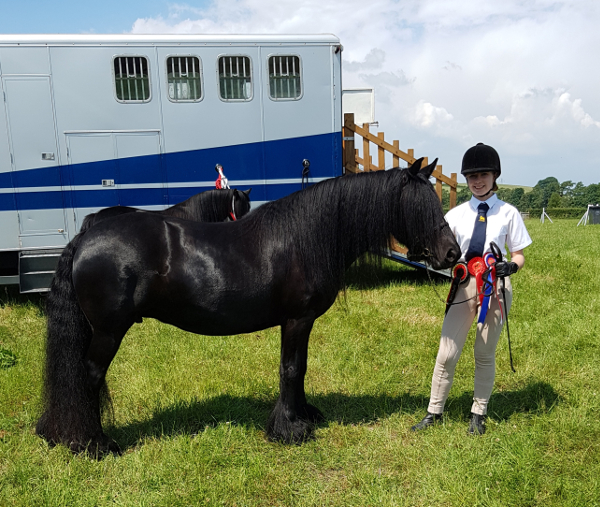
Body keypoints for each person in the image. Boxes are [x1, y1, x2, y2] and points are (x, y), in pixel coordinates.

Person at [411, 143, 532, 435]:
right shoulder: (455, 214)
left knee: (484, 353)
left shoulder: (508, 213)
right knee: (447, 353)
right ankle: (434, 411)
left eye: (483, 175)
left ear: (494, 176)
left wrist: (512, 266)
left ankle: (478, 412)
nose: (477, 181)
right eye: (472, 176)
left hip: (495, 288)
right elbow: (442, 249)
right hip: (464, 284)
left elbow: (518, 253)